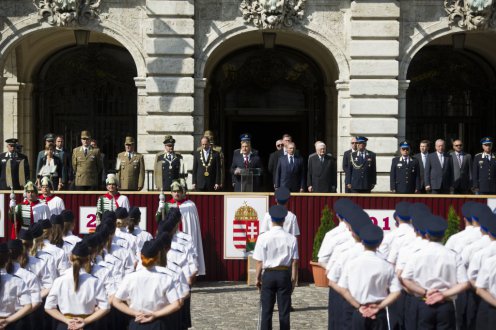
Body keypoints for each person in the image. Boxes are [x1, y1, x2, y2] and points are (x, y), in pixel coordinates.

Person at [401, 214, 470, 329]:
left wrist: (424, 292)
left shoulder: (417, 255)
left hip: (424, 303)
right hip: (446, 304)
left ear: (426, 235)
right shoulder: (453, 255)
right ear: (443, 235)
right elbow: (465, 283)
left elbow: (405, 278)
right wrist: (443, 294)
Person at [337, 224, 402, 330]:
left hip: (359, 311)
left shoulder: (352, 264)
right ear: (380, 243)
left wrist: (358, 306)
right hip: (378, 312)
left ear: (362, 241)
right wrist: (379, 306)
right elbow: (397, 291)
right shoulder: (386, 266)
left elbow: (342, 288)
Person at [112, 239, 183, 329]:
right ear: (157, 257)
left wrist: (134, 313)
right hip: (158, 323)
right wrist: (155, 314)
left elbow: (116, 301)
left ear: (141, 256)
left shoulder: (130, 278)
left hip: (137, 321)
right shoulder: (166, 278)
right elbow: (177, 304)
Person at [44, 242, 110, 330]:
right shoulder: (95, 281)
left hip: (66, 325)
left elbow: (49, 307)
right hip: (87, 325)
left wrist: (67, 321)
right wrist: (85, 321)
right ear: (88, 259)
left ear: (70, 258)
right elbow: (105, 307)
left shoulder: (59, 281)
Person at [253, 205, 299, 330]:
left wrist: (257, 278)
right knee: (284, 312)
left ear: (270, 220)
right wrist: (293, 279)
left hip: (268, 274)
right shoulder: (292, 239)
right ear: (284, 220)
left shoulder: (262, 237)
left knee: (266, 311)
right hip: (284, 274)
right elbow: (295, 261)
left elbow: (259, 261)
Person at [157, 180, 206, 276]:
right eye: (174, 192)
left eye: (178, 191)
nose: (176, 194)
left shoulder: (189, 205)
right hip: (171, 238)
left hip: (184, 237)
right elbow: (158, 220)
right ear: (171, 193)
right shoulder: (167, 205)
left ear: (182, 192)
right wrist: (159, 209)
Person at [0, 243, 32, 330]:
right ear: (7, 259)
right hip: (11, 323)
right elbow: (28, 306)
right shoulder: (17, 281)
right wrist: (7, 320)